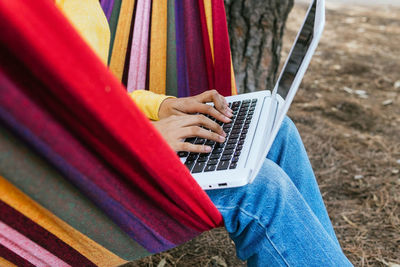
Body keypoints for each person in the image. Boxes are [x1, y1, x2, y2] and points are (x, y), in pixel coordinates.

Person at [56, 1, 353, 266]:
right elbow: (29, 125)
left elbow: (86, 93)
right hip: (71, 177)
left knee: (277, 133)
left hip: (109, 144)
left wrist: (163, 106)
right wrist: (142, 140)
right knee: (261, 188)